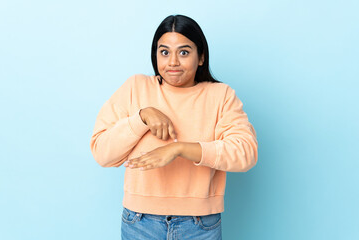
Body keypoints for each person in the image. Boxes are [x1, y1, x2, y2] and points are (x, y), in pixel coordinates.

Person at [90, 14, 258, 240]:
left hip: (200, 225)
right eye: (164, 52)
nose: (173, 62)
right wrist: (141, 118)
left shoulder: (221, 95)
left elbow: (246, 153)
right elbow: (102, 152)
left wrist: (179, 149)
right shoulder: (135, 88)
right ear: (155, 54)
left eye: (184, 52)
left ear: (201, 57)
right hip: (139, 222)